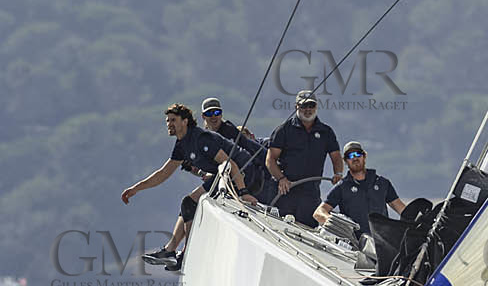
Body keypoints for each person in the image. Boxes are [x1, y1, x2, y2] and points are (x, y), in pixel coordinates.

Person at [121, 103, 250, 270]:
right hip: (225, 176)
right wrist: (136, 189)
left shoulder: (200, 138)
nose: (169, 124)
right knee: (188, 205)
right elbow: (163, 173)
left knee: (189, 202)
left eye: (173, 120)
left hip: (243, 174)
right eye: (167, 121)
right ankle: (171, 251)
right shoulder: (182, 144)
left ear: (185, 121)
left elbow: (230, 164)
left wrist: (244, 192)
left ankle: (185, 253)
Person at [266, 91, 343, 226]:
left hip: (310, 193)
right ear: (296, 107)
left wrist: (338, 173)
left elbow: (336, 156)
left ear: (316, 107)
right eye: (304, 106)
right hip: (284, 191)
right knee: (275, 227)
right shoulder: (284, 130)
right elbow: (270, 160)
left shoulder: (326, 132)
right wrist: (281, 178)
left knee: (309, 229)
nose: (308, 109)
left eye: (311, 105)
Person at [315, 141, 407, 236]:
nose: (355, 158)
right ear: (346, 161)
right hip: (355, 241)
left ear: (364, 156)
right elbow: (318, 212)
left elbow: (402, 210)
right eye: (350, 156)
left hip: (383, 240)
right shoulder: (342, 187)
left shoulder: (382, 183)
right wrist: (332, 222)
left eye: (358, 154)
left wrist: (414, 221)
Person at [202, 97, 276, 204]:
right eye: (209, 113)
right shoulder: (205, 138)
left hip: (252, 178)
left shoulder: (228, 131)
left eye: (217, 112)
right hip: (230, 180)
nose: (213, 116)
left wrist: (274, 170)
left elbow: (250, 148)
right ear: (203, 116)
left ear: (221, 114)